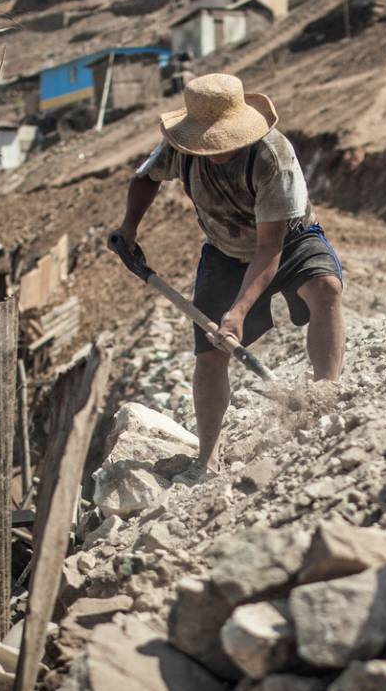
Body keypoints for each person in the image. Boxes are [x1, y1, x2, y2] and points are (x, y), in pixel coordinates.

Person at [111, 73, 344, 472]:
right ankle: (208, 457)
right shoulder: (180, 147)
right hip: (223, 250)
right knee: (210, 354)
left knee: (325, 288)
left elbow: (269, 248)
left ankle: (326, 397)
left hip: (288, 239)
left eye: (224, 141)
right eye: (207, 143)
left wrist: (238, 312)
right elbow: (143, 179)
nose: (215, 151)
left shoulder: (274, 157)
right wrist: (129, 227)